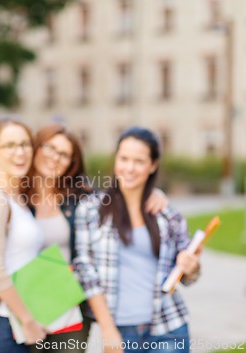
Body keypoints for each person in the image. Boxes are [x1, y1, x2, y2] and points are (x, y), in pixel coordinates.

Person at [24, 124, 169, 353]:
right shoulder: (11, 196)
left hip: (66, 304)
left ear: (72, 163)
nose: (55, 157)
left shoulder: (79, 197)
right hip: (20, 302)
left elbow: (119, 196)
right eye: (49, 148)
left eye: (64, 154)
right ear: (36, 148)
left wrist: (154, 193)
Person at [74, 126, 201, 353]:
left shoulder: (168, 215)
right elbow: (86, 272)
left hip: (168, 327)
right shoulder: (91, 210)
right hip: (120, 331)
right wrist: (107, 328)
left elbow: (186, 276)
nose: (129, 168)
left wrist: (192, 267)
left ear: (152, 166)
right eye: (124, 159)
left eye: (139, 161)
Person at [0, 117, 47, 353]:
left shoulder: (17, 199)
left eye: (25, 144)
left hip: (18, 322)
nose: (20, 152)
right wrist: (27, 319)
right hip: (4, 324)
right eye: (10, 146)